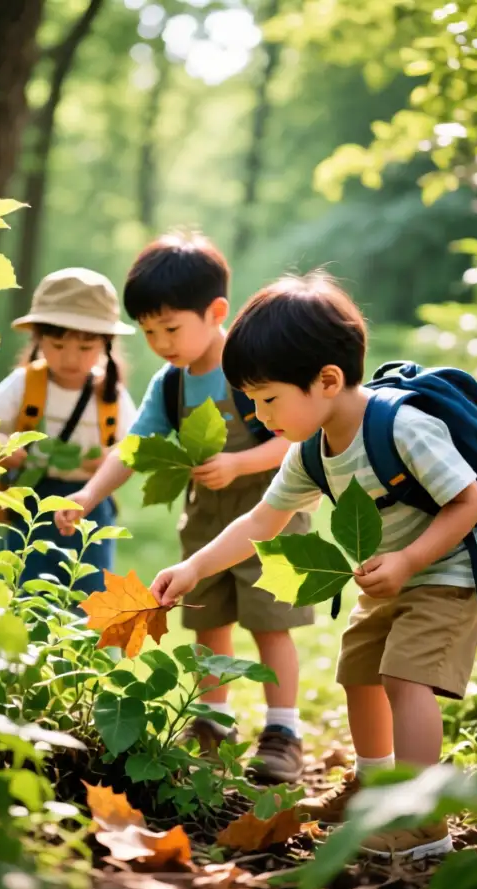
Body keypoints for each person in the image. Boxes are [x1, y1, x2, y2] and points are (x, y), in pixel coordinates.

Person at [148, 271, 477, 860]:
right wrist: (196, 567)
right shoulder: (310, 450)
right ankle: (373, 786)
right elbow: (260, 523)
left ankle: (421, 820)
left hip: (445, 569)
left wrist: (407, 559)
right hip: (387, 577)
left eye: (268, 398)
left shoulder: (403, 427)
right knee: (360, 672)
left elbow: (469, 501)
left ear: (328, 380)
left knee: (406, 678)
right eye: (250, 399)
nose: (257, 412)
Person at [55, 233, 314, 783]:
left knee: (271, 624)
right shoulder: (170, 384)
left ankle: (283, 731)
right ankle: (213, 722)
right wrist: (88, 493)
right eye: (149, 332)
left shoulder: (252, 366)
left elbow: (294, 438)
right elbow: (134, 448)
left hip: (272, 512)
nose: (160, 342)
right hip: (204, 520)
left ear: (216, 311)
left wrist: (240, 464)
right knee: (208, 620)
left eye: (171, 328)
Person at [0, 267, 137, 594]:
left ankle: (82, 645)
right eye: (57, 345)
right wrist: (1, 443)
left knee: (89, 590)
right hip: (32, 497)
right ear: (38, 339)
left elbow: (135, 445)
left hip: (90, 501)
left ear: (105, 345)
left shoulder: (108, 393)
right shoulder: (26, 382)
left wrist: (109, 461)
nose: (70, 358)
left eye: (85, 349)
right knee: (22, 584)